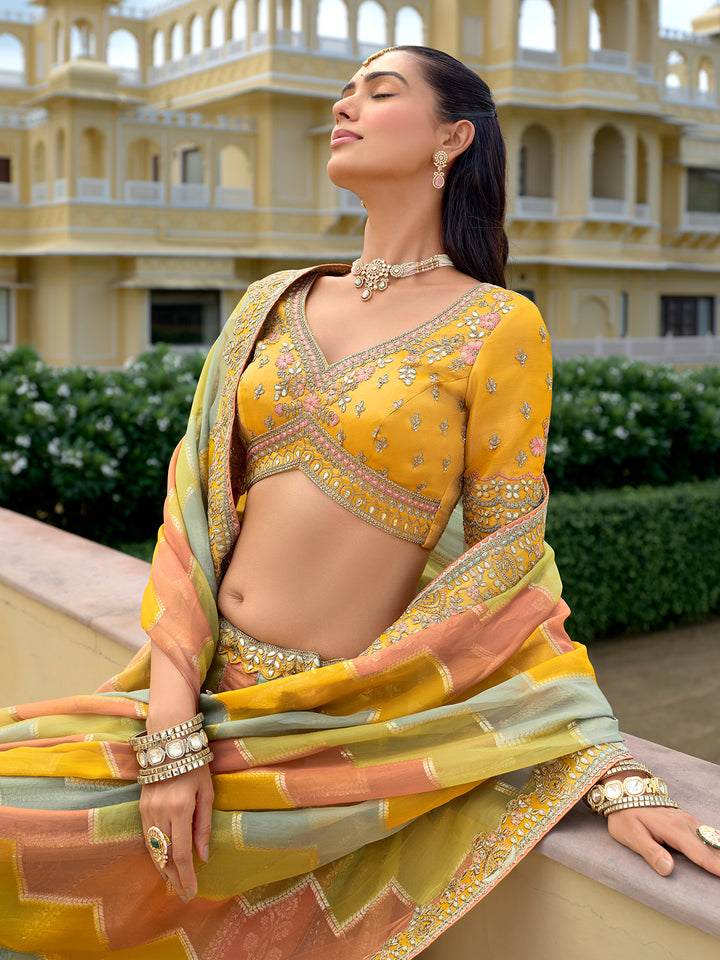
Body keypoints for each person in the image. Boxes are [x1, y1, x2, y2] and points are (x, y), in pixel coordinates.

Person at [0, 45, 718, 960]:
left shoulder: (499, 326)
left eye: (379, 93)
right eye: (345, 92)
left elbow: (508, 567)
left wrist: (601, 759)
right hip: (197, 701)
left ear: (451, 138)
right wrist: (174, 726)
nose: (344, 105)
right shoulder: (269, 304)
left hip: (339, 735)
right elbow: (191, 516)